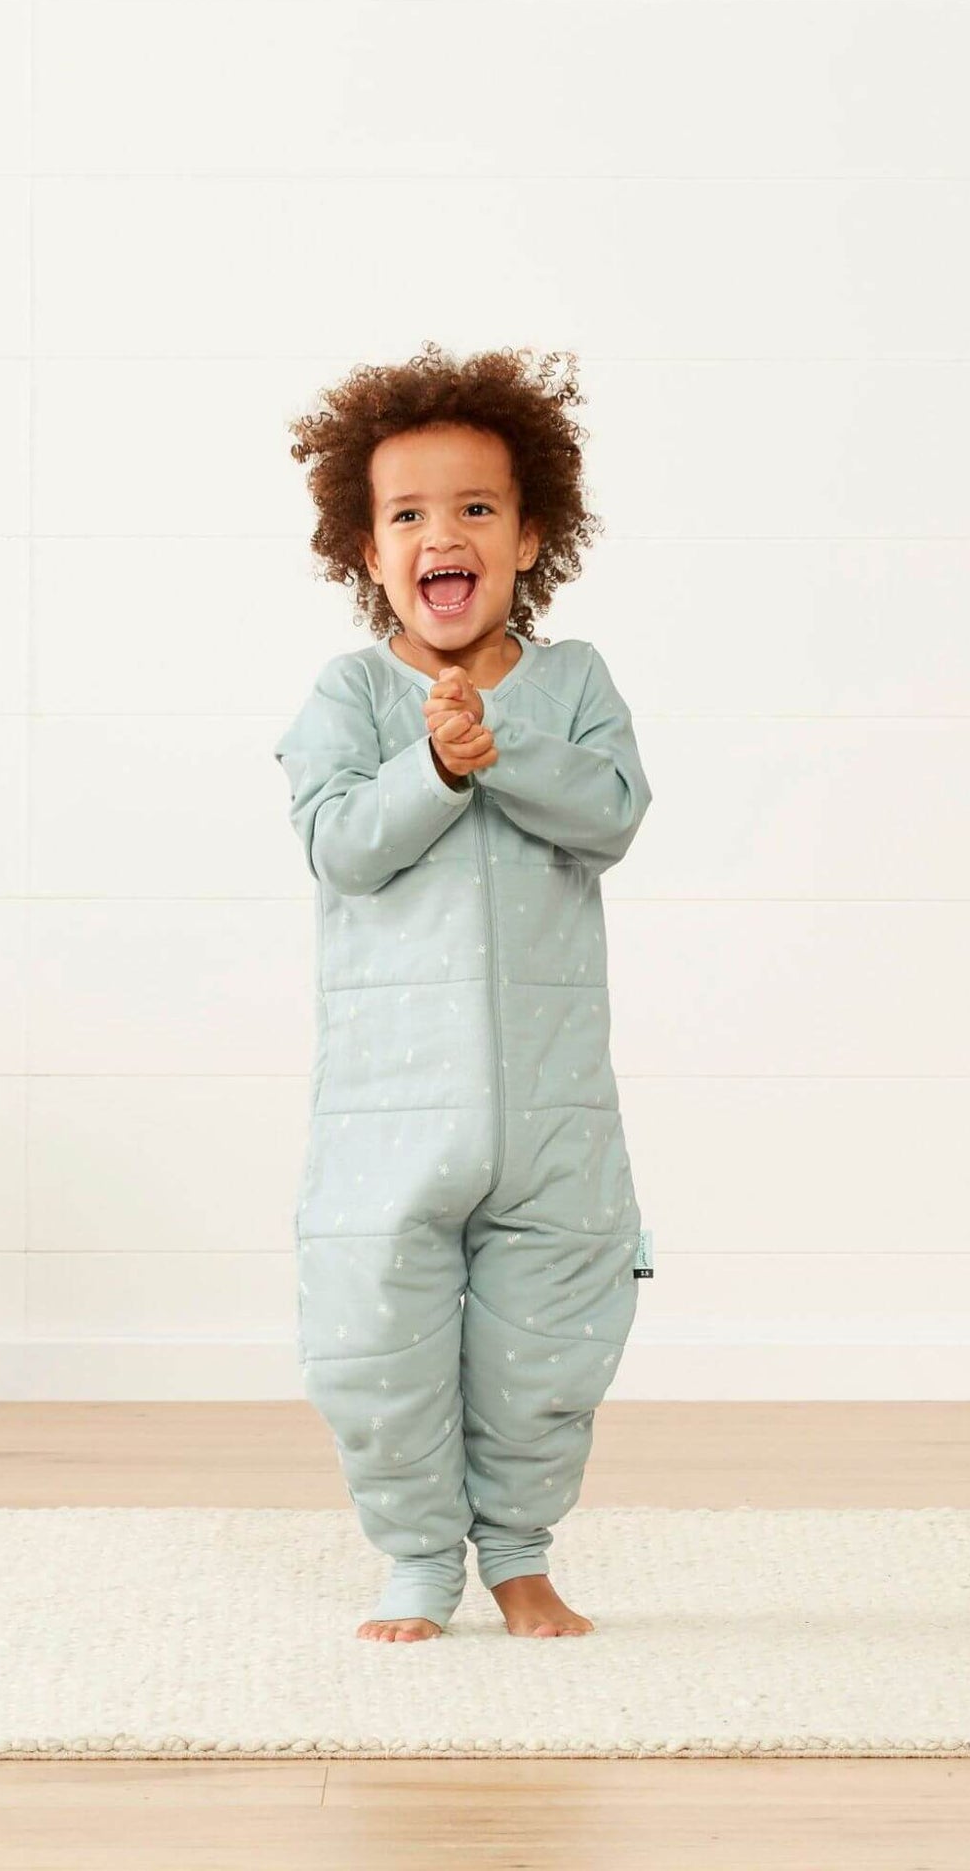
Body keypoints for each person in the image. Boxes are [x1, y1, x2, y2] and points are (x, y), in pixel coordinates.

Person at [273, 343, 653, 1641]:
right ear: (365, 550)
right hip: (391, 1110)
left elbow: (609, 814)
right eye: (408, 514)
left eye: (475, 508)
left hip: (548, 1114)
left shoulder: (572, 687)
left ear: (530, 532)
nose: (444, 532)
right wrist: (433, 766)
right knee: (375, 1347)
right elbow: (336, 841)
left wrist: (501, 746)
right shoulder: (351, 699)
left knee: (544, 1350)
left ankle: (523, 1551)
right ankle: (418, 1557)